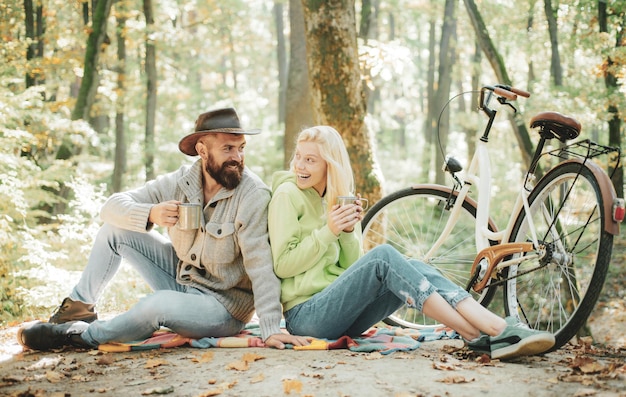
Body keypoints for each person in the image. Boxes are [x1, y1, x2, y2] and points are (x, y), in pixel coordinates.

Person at [18, 108, 308, 351]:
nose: (238, 157)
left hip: (223, 307)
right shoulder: (180, 181)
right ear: (202, 150)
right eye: (228, 149)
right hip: (183, 280)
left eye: (241, 148)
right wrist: (150, 213)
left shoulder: (252, 194)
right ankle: (80, 307)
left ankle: (79, 336)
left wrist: (270, 327)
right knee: (113, 231)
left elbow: (261, 264)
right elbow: (110, 206)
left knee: (156, 305)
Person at [267, 125, 556, 360]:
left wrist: (345, 232)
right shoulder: (287, 195)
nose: (299, 165)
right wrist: (329, 231)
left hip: (342, 315)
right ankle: (489, 330)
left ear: (330, 165)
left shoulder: (334, 197)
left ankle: (486, 335)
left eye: (310, 159)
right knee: (384, 257)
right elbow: (282, 265)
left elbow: (352, 267)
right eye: (299, 156)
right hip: (306, 317)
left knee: (412, 265)